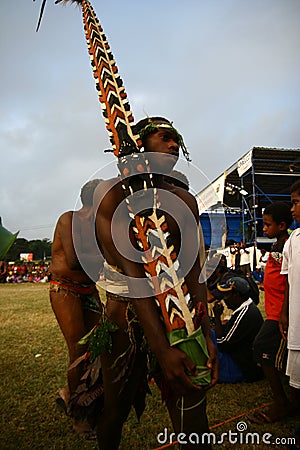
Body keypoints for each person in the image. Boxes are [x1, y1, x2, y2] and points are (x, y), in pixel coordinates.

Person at [93, 117, 218, 450]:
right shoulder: (112, 195)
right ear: (140, 144)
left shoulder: (185, 201)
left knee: (192, 410)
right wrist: (161, 350)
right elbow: (135, 279)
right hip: (127, 319)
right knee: (115, 411)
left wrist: (205, 335)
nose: (174, 145)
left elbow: (195, 273)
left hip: (181, 317)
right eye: (165, 138)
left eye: (177, 139)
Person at [49, 179, 104, 438]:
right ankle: (79, 415)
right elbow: (73, 259)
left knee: (101, 344)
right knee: (79, 349)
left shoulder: (98, 225)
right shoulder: (68, 219)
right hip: (65, 289)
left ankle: (73, 394)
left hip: (88, 291)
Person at [252, 201, 294, 423]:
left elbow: (287, 280)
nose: (264, 229)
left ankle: (282, 403)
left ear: (282, 225)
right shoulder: (278, 246)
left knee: (262, 347)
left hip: (280, 313)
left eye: (268, 225)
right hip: (274, 311)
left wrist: (284, 313)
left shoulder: (285, 247)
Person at [212, 276, 263, 383]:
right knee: (211, 333)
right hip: (244, 360)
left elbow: (222, 343)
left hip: (242, 368)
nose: (224, 298)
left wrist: (217, 317)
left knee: (210, 338)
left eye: (227, 294)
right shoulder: (248, 307)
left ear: (237, 295)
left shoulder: (245, 314)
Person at [280, 181, 300, 423]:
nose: (292, 209)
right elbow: (288, 280)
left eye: (296, 202)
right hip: (296, 322)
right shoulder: (293, 240)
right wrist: (284, 313)